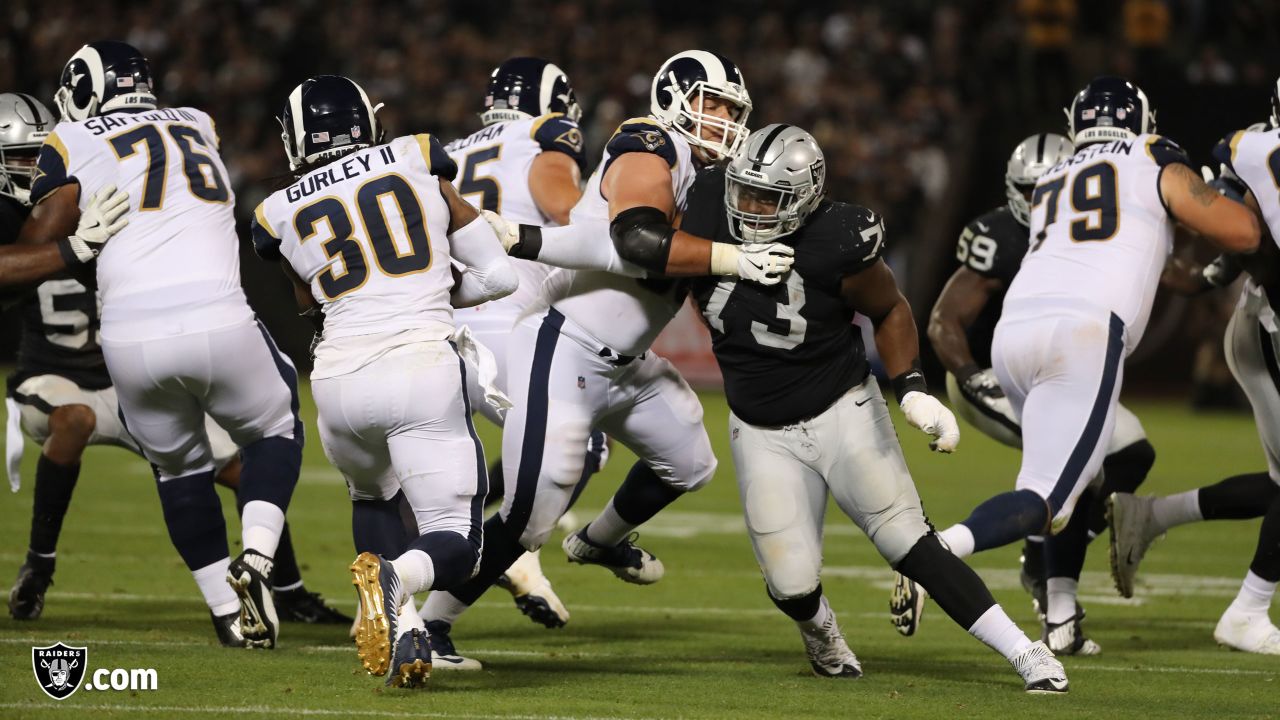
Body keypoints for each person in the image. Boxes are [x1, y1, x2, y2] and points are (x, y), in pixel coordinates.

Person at [418, 49, 794, 667]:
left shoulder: (711, 180)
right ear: (675, 99)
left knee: (690, 460)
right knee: (528, 518)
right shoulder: (651, 143)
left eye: (733, 109)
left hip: (627, 363)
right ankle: (432, 624)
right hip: (562, 346)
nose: (725, 120)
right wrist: (731, 257)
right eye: (714, 104)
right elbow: (637, 238)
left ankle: (596, 542)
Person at [675, 123, 1067, 691]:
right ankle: (822, 633)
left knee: (909, 543)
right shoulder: (709, 199)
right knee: (789, 583)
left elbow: (890, 309)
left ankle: (1024, 652)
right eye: (746, 191)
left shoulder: (840, 236)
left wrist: (910, 386)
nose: (752, 208)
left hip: (843, 407)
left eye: (770, 197)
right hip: (760, 428)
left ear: (807, 196)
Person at [902, 77, 1261, 656]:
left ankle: (1060, 617)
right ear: (1144, 119)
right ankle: (936, 554)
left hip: (1015, 336)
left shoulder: (1053, 177)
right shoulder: (1153, 154)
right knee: (1048, 500)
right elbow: (1239, 231)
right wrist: (1236, 194)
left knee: (1082, 481)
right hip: (1084, 334)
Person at [25, 41, 306, 649]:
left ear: (82, 88)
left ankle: (227, 616)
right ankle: (257, 556)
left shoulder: (69, 140)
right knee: (275, 430)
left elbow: (38, 239)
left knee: (178, 468)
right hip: (220, 316)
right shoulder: (200, 120)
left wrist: (70, 231)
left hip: (129, 337)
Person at [252, 75, 516, 687]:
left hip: (338, 383)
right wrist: (435, 291)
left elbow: (310, 306)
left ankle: (404, 629)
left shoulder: (276, 211)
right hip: (420, 366)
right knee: (457, 547)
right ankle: (400, 584)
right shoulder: (415, 156)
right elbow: (499, 276)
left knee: (371, 498)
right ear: (367, 122)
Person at [928, 132, 1156, 618]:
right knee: (1067, 478)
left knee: (1132, 453)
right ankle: (1053, 598)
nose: (1036, 201)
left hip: (1056, 374)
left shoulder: (1097, 229)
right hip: (992, 377)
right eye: (1028, 190)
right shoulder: (1002, 235)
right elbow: (944, 320)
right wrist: (972, 375)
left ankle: (1038, 551)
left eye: (1042, 189)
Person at [1108, 83, 1280, 655]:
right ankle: (1247, 611)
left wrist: (1212, 275)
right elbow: (1239, 222)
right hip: (1270, 330)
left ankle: (1152, 516)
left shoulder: (1249, 148)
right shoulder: (1253, 150)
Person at [441, 57, 601, 636]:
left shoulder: (449, 149)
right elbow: (571, 219)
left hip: (445, 329)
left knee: (446, 469)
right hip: (509, 324)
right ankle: (512, 549)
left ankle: (407, 589)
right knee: (585, 444)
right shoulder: (547, 135)